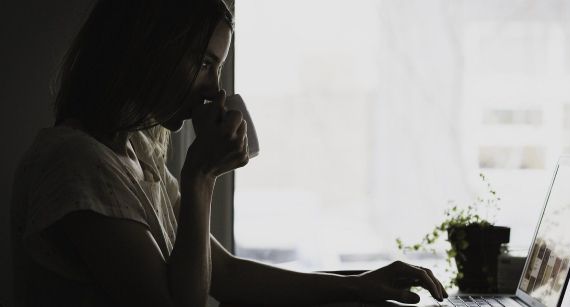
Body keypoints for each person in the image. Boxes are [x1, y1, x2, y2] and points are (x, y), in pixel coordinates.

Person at [10, 0, 448, 306]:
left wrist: (357, 284)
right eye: (203, 62)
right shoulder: (75, 164)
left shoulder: (136, 155)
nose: (215, 88)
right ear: (146, 49)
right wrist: (201, 176)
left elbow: (224, 272)